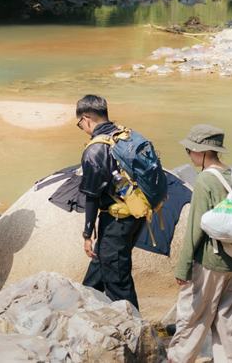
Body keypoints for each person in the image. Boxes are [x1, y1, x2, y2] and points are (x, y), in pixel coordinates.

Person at [168, 125, 232, 363]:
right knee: (229, 324)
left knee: (192, 321)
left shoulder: (204, 180)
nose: (188, 154)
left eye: (188, 150)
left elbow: (195, 229)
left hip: (211, 264)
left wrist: (183, 267)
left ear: (201, 151)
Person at [77, 94, 144, 308]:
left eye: (80, 124)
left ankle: (135, 332)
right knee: (99, 268)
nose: (81, 128)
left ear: (86, 119)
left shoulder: (95, 149)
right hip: (136, 213)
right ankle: (84, 310)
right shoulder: (125, 135)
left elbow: (92, 196)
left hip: (116, 220)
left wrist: (87, 234)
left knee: (118, 283)